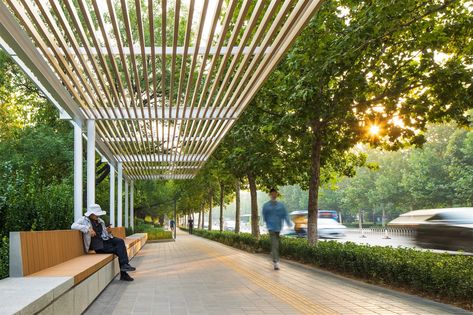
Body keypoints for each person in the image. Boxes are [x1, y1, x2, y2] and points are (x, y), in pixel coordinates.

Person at [71, 204, 136, 281]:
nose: (98, 216)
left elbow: (104, 234)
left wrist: (107, 231)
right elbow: (73, 226)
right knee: (119, 250)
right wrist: (88, 229)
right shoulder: (84, 220)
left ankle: (125, 266)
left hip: (106, 240)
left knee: (120, 241)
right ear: (91, 214)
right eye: (97, 214)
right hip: (98, 245)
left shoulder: (101, 221)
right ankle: (124, 272)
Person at [262, 188, 292, 270]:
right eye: (272, 193)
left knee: (277, 244)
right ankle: (276, 262)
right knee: (275, 244)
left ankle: (273, 253)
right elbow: (264, 214)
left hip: (278, 227)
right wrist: (265, 223)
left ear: (276, 194)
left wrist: (289, 223)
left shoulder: (281, 205)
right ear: (270, 195)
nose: (274, 195)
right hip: (271, 227)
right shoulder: (266, 205)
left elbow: (285, 214)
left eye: (275, 193)